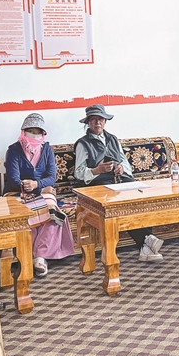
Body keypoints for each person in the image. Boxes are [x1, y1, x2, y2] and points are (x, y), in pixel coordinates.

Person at [74, 104, 164, 262]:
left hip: (120, 182)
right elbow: (79, 173)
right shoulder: (83, 143)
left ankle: (145, 247)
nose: (97, 123)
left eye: (100, 119)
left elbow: (125, 163)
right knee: (119, 205)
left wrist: (122, 169)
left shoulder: (113, 139)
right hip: (98, 185)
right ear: (88, 123)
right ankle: (147, 240)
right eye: (93, 119)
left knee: (139, 199)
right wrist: (96, 170)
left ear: (105, 121)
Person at [4, 113, 74, 277]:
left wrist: (37, 185)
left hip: (41, 190)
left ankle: (40, 257)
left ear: (43, 134)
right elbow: (13, 179)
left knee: (52, 211)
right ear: (23, 132)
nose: (34, 135)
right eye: (31, 131)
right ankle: (28, 255)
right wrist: (37, 189)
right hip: (16, 192)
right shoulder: (13, 150)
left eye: (38, 132)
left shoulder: (47, 149)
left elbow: (51, 176)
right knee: (24, 213)